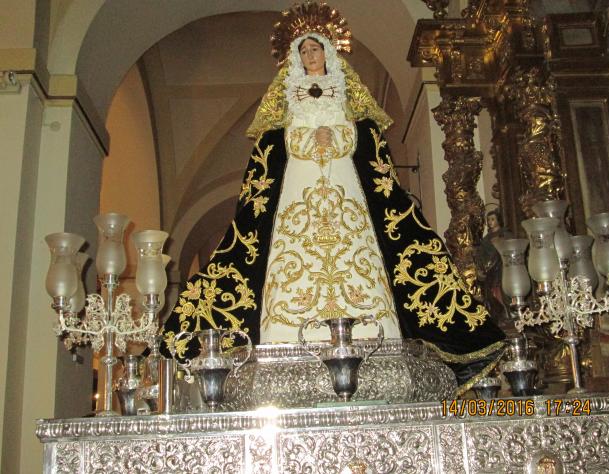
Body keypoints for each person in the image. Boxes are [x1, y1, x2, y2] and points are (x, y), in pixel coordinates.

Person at [162, 20, 505, 396]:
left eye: (316, 49)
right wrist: (304, 139)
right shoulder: (289, 99)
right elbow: (273, 147)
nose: (310, 56)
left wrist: (341, 135)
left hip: (346, 189)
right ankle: (286, 344)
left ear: (328, 52)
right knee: (293, 255)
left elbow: (368, 141)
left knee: (359, 251)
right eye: (304, 51)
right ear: (296, 59)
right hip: (298, 191)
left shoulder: (345, 95)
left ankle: (374, 344)